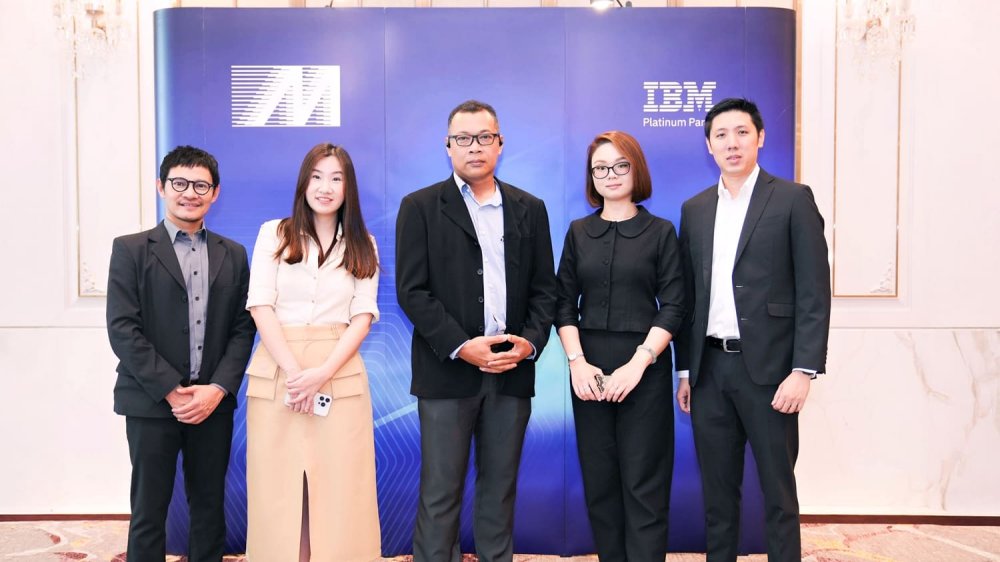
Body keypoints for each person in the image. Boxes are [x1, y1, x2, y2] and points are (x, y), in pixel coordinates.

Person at [395, 99, 557, 562]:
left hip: (510, 368)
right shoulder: (420, 206)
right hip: (446, 372)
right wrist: (461, 346)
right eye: (463, 138)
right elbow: (412, 291)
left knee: (500, 490)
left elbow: (545, 290)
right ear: (447, 147)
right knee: (440, 492)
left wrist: (529, 343)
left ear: (500, 144)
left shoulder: (530, 208)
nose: (474, 147)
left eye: (484, 137)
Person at [674, 98, 831, 562]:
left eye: (741, 132)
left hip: (771, 373)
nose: (732, 143)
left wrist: (803, 370)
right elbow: (688, 298)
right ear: (709, 145)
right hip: (709, 371)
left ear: (760, 137)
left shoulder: (792, 199)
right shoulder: (695, 209)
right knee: (718, 496)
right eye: (721, 135)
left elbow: (814, 291)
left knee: (778, 494)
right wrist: (685, 371)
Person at [106, 145, 256, 561]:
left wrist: (217, 389)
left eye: (201, 185)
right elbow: (123, 328)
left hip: (212, 404)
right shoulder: (131, 249)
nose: (190, 193)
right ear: (161, 186)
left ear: (215, 192)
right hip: (150, 400)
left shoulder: (234, 254)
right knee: (149, 508)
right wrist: (172, 390)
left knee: (209, 505)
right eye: (180, 183)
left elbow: (242, 328)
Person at [244, 143, 381, 561]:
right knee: (278, 487)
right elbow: (260, 304)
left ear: (348, 187)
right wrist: (294, 373)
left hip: (337, 370)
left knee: (342, 486)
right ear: (304, 182)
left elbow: (363, 316)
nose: (325, 187)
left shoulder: (364, 244)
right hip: (278, 368)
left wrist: (321, 373)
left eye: (336, 178)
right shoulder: (274, 233)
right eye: (317, 177)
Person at [555, 131, 684, 562]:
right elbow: (562, 303)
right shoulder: (579, 232)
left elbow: (674, 305)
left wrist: (639, 363)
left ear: (636, 169)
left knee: (645, 483)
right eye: (600, 168)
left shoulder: (661, 232)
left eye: (620, 165)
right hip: (588, 369)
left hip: (644, 368)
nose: (610, 175)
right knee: (601, 482)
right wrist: (577, 363)